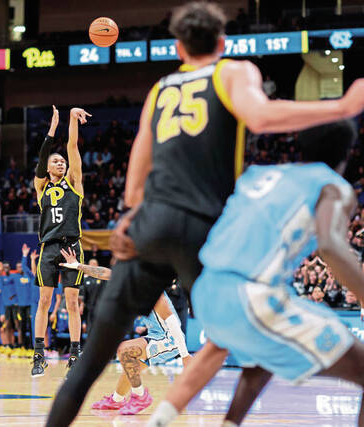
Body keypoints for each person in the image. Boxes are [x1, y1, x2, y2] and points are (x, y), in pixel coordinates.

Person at [46, 2, 364, 424]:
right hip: (205, 230)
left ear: (178, 46)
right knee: (228, 337)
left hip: (151, 224)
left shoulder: (161, 88)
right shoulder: (233, 72)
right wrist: (341, 107)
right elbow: (262, 116)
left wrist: (128, 217)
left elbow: (138, 171)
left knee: (87, 367)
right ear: (222, 42)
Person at [149, 121, 364, 426]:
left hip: (207, 289)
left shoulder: (263, 173)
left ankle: (216, 422)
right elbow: (330, 244)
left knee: (264, 352)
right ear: (347, 153)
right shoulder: (333, 186)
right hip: (250, 292)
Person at [59, 248, 192, 415]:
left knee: (125, 351)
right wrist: (78, 265)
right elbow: (105, 273)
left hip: (170, 339)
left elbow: (173, 325)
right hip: (156, 336)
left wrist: (185, 355)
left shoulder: (156, 293)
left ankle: (140, 396)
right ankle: (117, 400)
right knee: (131, 368)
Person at [32, 105, 90, 378]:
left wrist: (71, 119)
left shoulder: (74, 182)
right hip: (48, 247)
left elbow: (73, 146)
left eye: (62, 162)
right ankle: (39, 355)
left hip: (71, 247)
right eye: (56, 162)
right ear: (48, 168)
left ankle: (76, 353)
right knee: (44, 301)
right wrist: (51, 129)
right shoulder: (41, 187)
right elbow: (44, 157)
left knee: (71, 301)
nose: (61, 163)